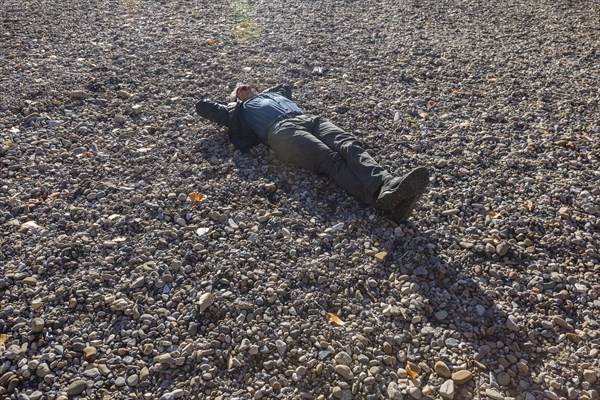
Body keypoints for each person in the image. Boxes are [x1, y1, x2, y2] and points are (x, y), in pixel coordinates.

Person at [195, 83, 430, 222]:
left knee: (349, 144)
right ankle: (381, 201)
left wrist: (262, 91)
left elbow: (285, 86)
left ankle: (390, 185)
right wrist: (235, 102)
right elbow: (202, 107)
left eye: (247, 85)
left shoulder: (273, 94)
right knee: (331, 161)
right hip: (280, 132)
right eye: (239, 89)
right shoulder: (237, 111)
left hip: (309, 119)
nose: (244, 88)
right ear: (235, 98)